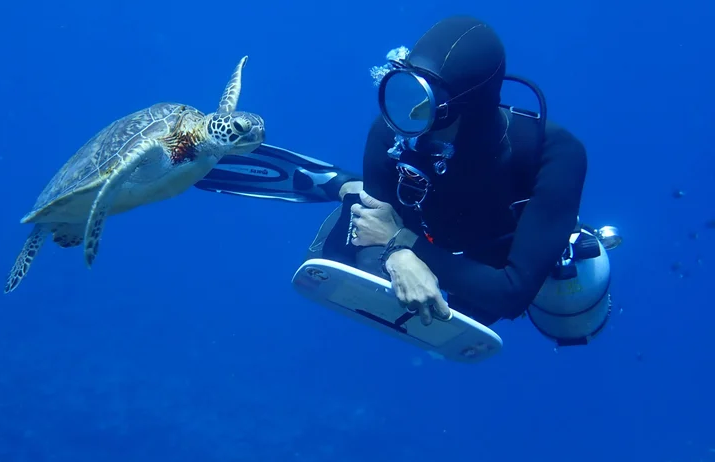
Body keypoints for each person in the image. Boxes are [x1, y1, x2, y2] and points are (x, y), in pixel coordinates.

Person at [195, 15, 621, 346]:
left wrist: (403, 245)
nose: (406, 125)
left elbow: (510, 293)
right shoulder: (392, 131)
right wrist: (398, 254)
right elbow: (374, 235)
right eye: (401, 98)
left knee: (570, 299)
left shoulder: (557, 155)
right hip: (422, 225)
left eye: (426, 110)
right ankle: (346, 188)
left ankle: (346, 188)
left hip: (501, 249)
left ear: (466, 111)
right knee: (363, 241)